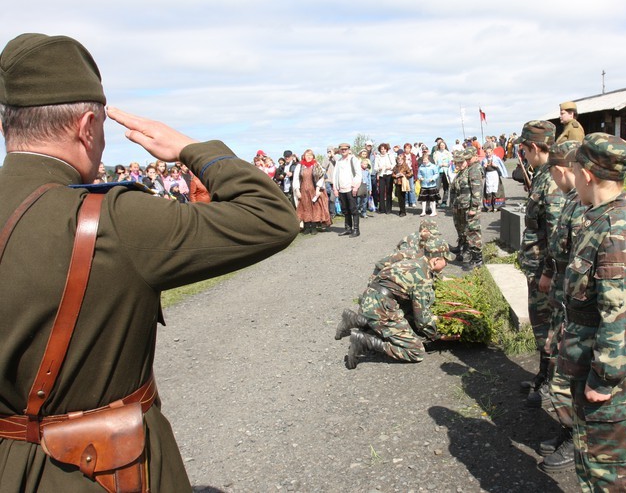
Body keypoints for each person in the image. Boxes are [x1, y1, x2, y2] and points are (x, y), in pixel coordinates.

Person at [0, 32, 299, 492]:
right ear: (87, 127)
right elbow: (272, 217)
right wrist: (191, 148)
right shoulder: (112, 219)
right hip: (101, 471)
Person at [560, 132, 626, 491]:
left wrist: (604, 378)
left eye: (575, 171)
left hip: (603, 369)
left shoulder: (615, 229)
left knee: (607, 468)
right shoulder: (599, 217)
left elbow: (624, 313)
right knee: (590, 454)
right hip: (588, 358)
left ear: (586, 175)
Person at [535, 140, 587, 473]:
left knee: (570, 375)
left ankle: (577, 440)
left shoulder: (584, 206)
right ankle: (568, 430)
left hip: (576, 303)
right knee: (560, 367)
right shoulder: (572, 199)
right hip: (564, 296)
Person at [334, 245, 454, 369]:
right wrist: (437, 335)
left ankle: (356, 320)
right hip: (381, 307)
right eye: (446, 261)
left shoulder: (415, 261)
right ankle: (365, 342)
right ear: (436, 260)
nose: (447, 264)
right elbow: (422, 320)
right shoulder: (423, 278)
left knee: (408, 315)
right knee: (416, 351)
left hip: (370, 298)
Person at [515, 121, 565, 407]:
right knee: (541, 326)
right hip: (537, 266)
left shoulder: (552, 180)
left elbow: (557, 234)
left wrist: (548, 272)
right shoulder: (543, 174)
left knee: (549, 328)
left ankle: (552, 387)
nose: (523, 155)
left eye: (524, 149)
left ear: (534, 146)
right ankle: (543, 375)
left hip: (545, 270)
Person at [454, 147, 485, 270]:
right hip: (466, 205)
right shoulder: (471, 168)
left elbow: (476, 191)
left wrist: (474, 207)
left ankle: (477, 259)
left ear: (475, 156)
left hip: (472, 207)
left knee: (474, 232)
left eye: (468, 158)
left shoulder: (475, 169)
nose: (467, 160)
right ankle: (472, 256)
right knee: (470, 231)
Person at [294, 148, 331, 234]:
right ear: (304, 156)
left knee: (315, 208)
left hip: (314, 189)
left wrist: (318, 188)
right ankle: (307, 227)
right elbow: (296, 179)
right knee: (305, 207)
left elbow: (321, 177)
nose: (309, 157)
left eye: (310, 155)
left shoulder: (316, 165)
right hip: (303, 190)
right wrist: (297, 190)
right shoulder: (300, 166)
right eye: (307, 155)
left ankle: (314, 227)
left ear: (313, 156)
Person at [332, 142, 362, 236]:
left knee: (353, 209)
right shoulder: (339, 161)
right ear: (339, 150)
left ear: (349, 150)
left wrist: (355, 187)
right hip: (341, 189)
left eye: (345, 149)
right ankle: (348, 228)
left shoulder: (353, 159)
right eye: (342, 149)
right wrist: (335, 188)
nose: (344, 151)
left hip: (351, 188)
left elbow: (358, 174)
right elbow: (335, 176)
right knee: (345, 210)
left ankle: (356, 230)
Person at [481, 142, 509, 212]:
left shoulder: (496, 159)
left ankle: (497, 206)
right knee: (489, 191)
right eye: (487, 153)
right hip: (488, 176)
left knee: (496, 190)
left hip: (495, 176)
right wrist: (484, 167)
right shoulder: (484, 160)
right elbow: (482, 171)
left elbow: (500, 168)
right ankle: (489, 206)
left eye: (489, 152)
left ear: (492, 152)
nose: (488, 154)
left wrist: (496, 166)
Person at [417, 150, 440, 216]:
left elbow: (436, 174)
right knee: (423, 199)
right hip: (424, 185)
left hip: (431, 185)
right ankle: (423, 211)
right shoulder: (421, 167)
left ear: (428, 160)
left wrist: (433, 178)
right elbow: (419, 174)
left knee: (432, 199)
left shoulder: (433, 166)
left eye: (426, 160)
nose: (424, 161)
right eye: (423, 160)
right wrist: (420, 178)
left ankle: (434, 211)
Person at [373, 143, 395, 214]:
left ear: (386, 149)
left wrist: (390, 167)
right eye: (381, 149)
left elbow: (394, 164)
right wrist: (379, 168)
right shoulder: (377, 157)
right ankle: (381, 209)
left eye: (384, 149)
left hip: (389, 174)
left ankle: (388, 209)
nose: (383, 150)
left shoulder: (390, 155)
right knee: (381, 192)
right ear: (379, 150)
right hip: (381, 175)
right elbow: (375, 167)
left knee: (389, 191)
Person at [392, 153, 413, 217]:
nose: (399, 161)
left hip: (403, 183)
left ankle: (403, 211)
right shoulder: (395, 166)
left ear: (403, 160)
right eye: (398, 160)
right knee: (399, 197)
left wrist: (404, 175)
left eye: (401, 160)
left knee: (402, 197)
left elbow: (410, 173)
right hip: (397, 183)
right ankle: (401, 210)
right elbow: (392, 174)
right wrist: (395, 175)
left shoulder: (405, 166)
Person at [433, 140, 452, 206]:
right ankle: (436, 201)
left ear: (445, 146)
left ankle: (444, 201)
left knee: (446, 187)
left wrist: (446, 165)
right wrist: (439, 165)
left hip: (446, 171)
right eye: (441, 145)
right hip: (438, 171)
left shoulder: (448, 153)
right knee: (437, 187)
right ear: (439, 146)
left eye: (443, 145)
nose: (442, 146)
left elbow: (451, 162)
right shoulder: (436, 153)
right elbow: (434, 162)